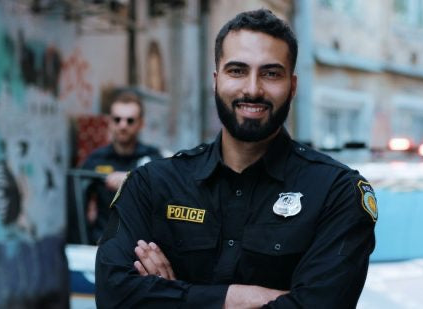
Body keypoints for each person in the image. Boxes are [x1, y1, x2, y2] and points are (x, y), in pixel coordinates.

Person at [95, 9, 377, 308]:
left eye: (271, 73)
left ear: (292, 86)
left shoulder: (337, 192)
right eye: (237, 71)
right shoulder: (151, 184)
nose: (252, 89)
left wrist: (175, 294)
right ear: (216, 80)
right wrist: (239, 298)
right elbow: (114, 295)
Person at [81, 91, 162, 244]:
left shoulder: (153, 157)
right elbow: (78, 203)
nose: (123, 125)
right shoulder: (96, 159)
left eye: (130, 120)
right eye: (117, 119)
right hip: (103, 244)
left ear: (141, 124)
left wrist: (130, 179)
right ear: (110, 122)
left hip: (142, 248)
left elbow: (165, 195)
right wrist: (88, 240)